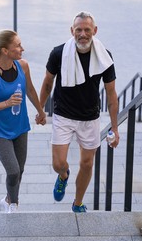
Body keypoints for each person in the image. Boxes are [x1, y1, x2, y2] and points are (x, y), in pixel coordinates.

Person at [39, 11, 119, 213]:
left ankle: (77, 202)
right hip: (63, 113)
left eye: (87, 30)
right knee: (58, 163)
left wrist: (115, 129)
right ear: (72, 31)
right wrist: (41, 110)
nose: (82, 34)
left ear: (95, 31)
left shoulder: (104, 56)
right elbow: (48, 82)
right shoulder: (58, 53)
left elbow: (111, 94)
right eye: (78, 30)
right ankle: (63, 176)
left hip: (89, 117)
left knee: (86, 163)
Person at [0, 29, 47, 213]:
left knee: (20, 169)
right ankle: (13, 205)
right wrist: (7, 103)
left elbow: (30, 90)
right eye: (17, 46)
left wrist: (41, 111)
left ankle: (9, 198)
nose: (22, 49)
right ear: (5, 51)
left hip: (20, 126)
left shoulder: (22, 66)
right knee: (13, 170)